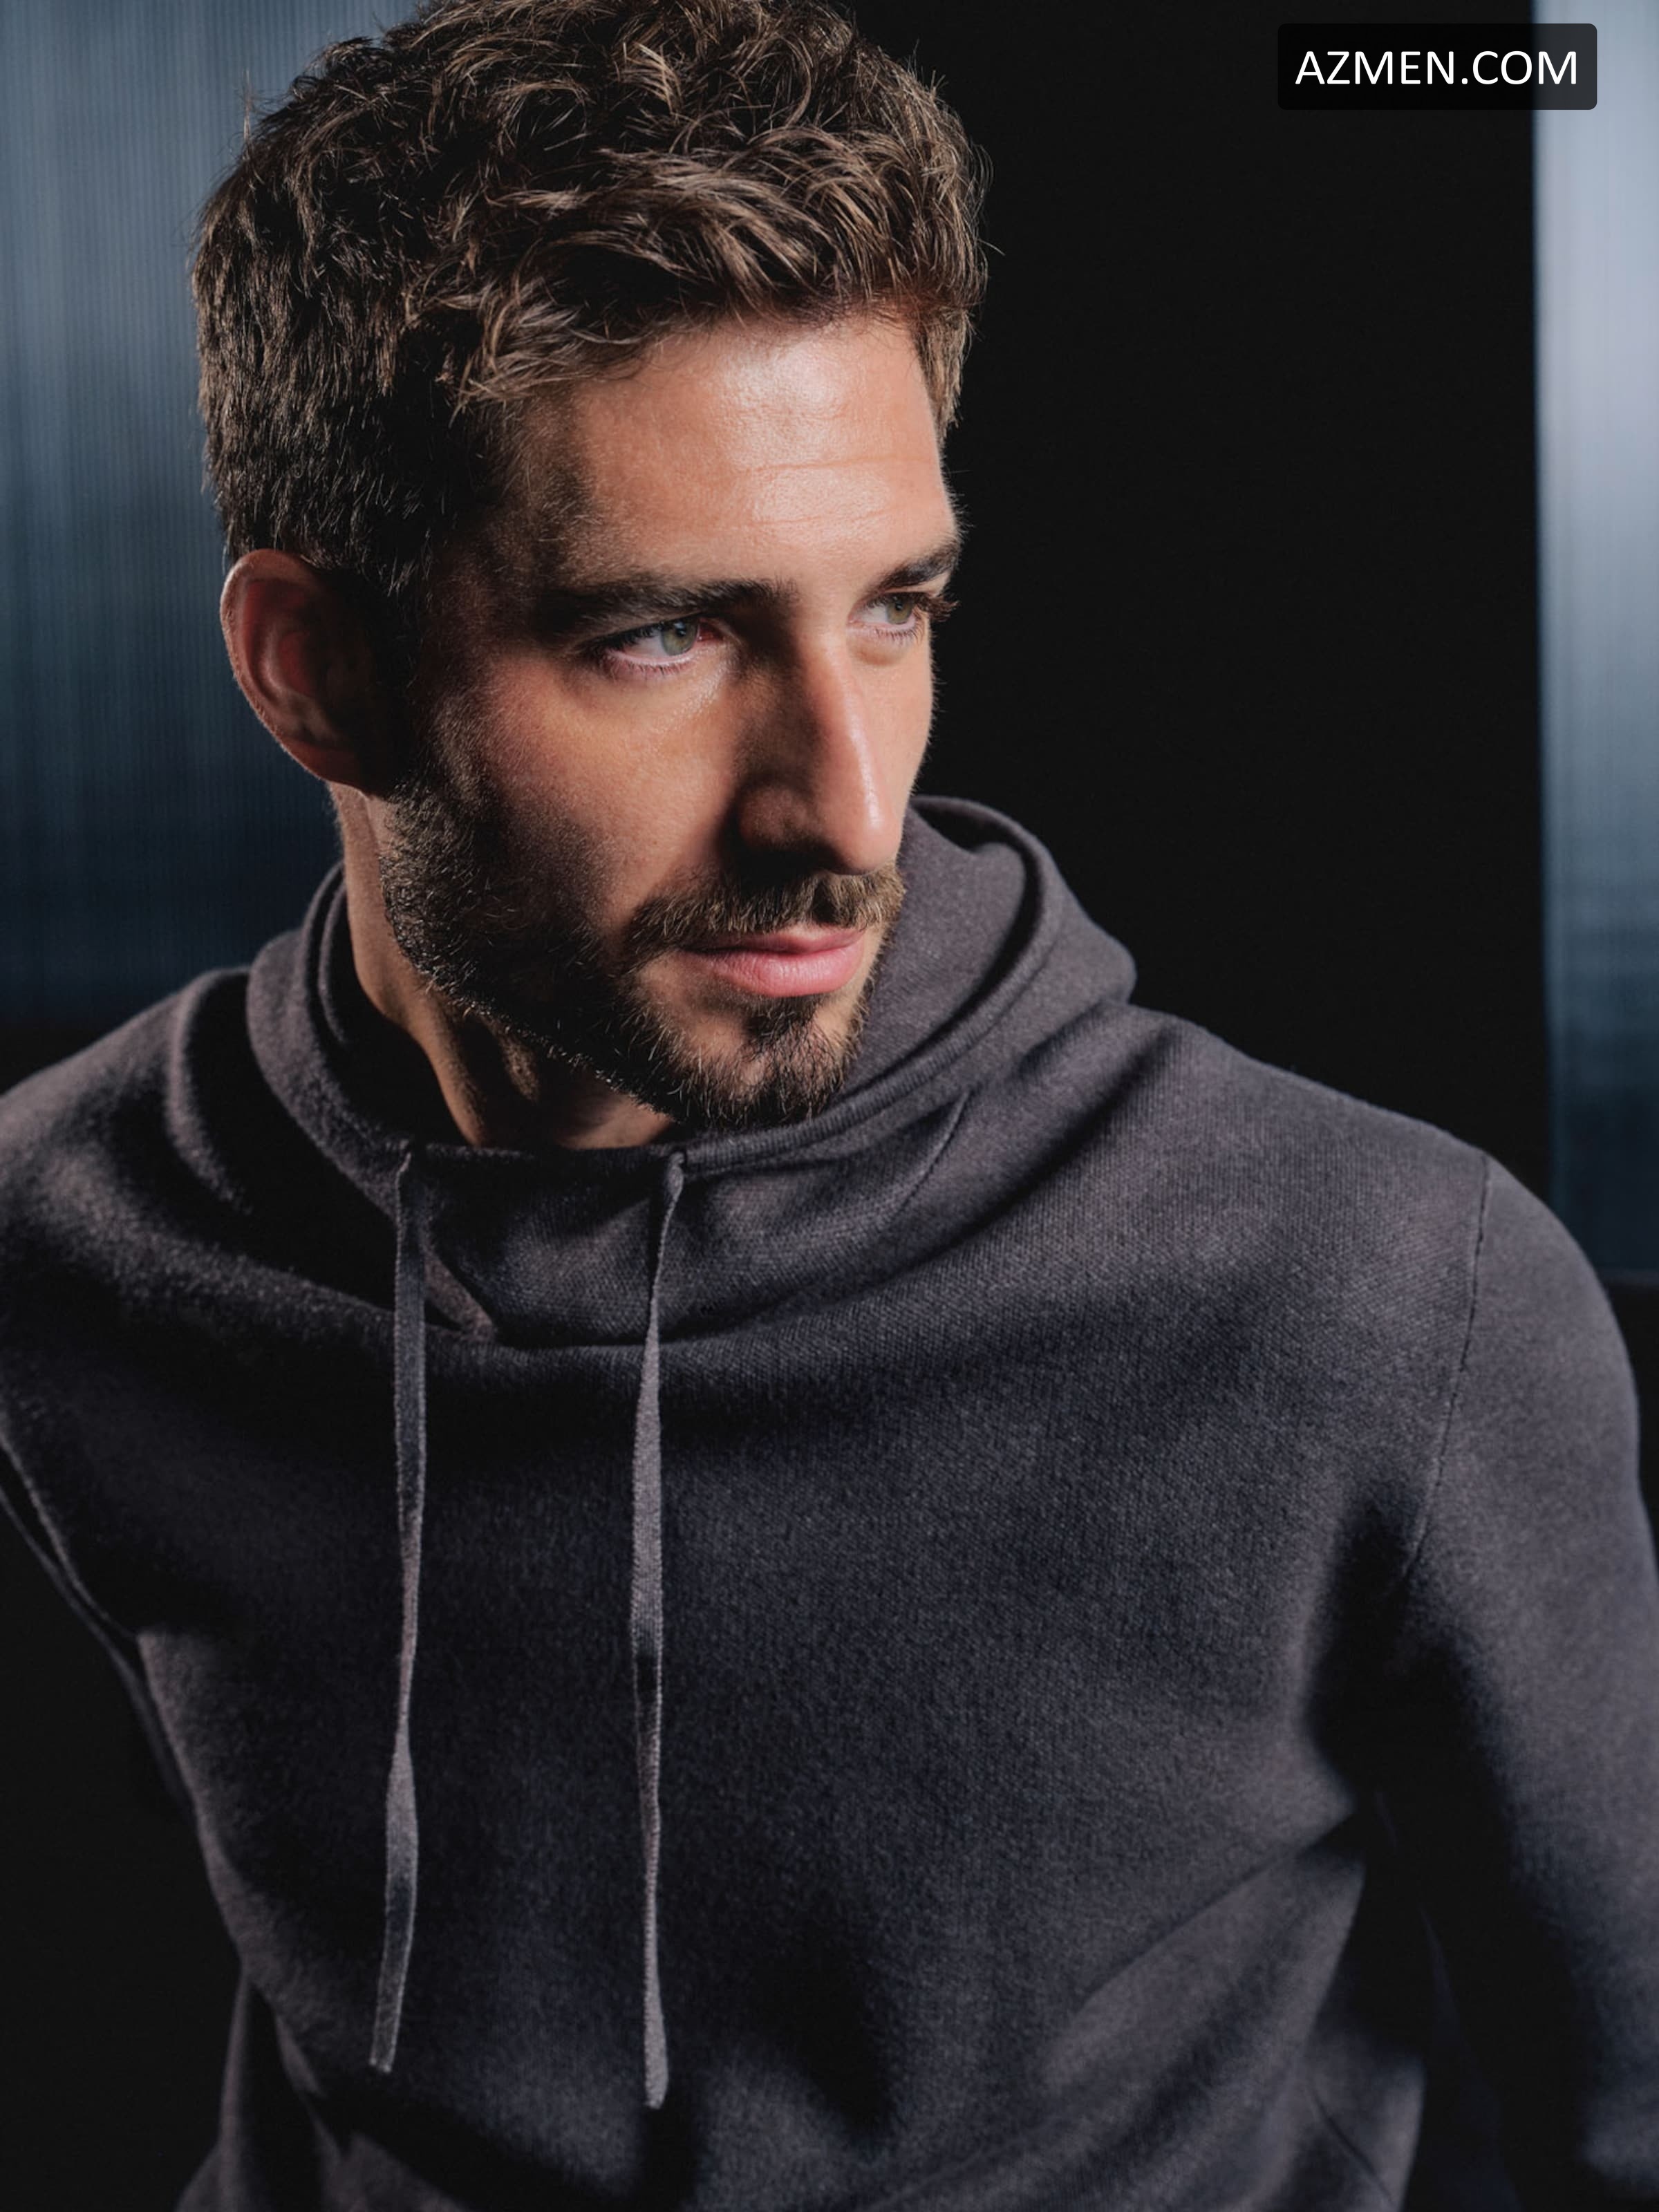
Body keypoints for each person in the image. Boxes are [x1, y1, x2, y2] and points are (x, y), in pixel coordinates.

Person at [1, 0, 1656, 2205]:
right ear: (316, 669)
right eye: (663, 636)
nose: (845, 809)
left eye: (895, 609)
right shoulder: (69, 1243)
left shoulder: (1379, 1296)